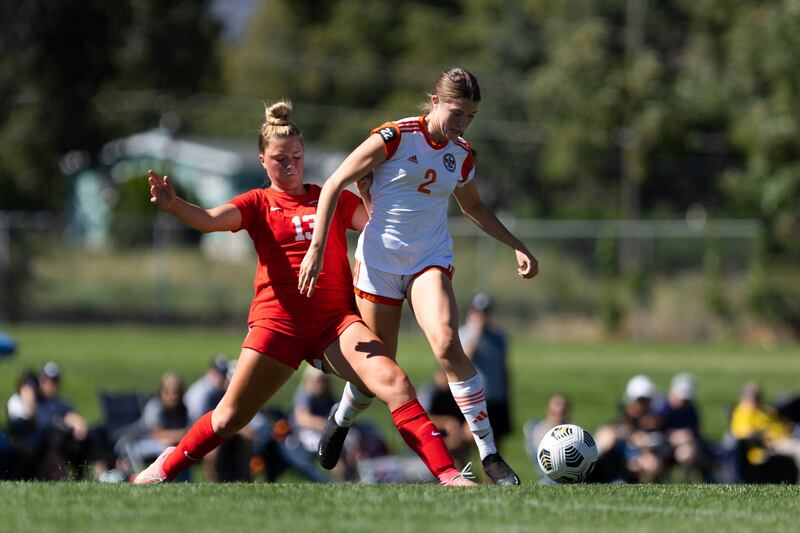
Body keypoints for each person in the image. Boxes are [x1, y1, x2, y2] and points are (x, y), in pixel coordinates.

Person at [134, 100, 474, 486]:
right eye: (280, 159)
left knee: (395, 382)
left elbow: (378, 228)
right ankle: (162, 469)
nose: (291, 165)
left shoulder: (327, 197)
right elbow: (211, 220)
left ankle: (448, 475)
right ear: (263, 161)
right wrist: (173, 204)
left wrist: (378, 197)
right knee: (229, 417)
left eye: (296, 156)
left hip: (334, 325)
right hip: (277, 326)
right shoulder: (258, 203)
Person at [298, 66, 537, 485]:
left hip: (430, 259)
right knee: (377, 374)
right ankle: (341, 416)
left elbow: (474, 207)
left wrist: (517, 245)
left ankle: (490, 454)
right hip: (379, 265)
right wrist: (317, 248)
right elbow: (335, 182)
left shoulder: (460, 155)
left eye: (470, 117)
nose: (462, 124)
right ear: (434, 102)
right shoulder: (394, 137)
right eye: (457, 113)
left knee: (447, 342)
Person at [459, 292, 511, 452]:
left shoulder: (498, 337)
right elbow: (464, 359)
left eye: (486, 312)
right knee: (468, 440)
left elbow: (503, 366)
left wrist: (506, 391)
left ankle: (493, 477)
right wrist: (477, 333)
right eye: (479, 312)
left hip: (496, 398)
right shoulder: (463, 333)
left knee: (496, 446)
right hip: (473, 398)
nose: (483, 316)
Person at [730, 381, 800, 478]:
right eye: (751, 397)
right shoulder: (743, 413)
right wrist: (766, 437)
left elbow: (781, 422)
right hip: (770, 444)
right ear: (743, 398)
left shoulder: (765, 410)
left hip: (787, 436)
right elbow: (744, 435)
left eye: (756, 397)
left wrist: (788, 428)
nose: (754, 400)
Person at [418, 368, 473, 469]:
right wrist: (447, 422)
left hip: (456, 434)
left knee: (470, 433)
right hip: (434, 434)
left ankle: (462, 471)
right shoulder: (430, 392)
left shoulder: (457, 392)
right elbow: (420, 419)